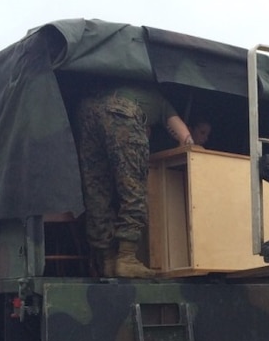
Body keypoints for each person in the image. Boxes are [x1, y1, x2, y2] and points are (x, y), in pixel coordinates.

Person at [76, 82, 204, 278]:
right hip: (121, 112)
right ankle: (126, 258)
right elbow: (185, 137)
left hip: (87, 111)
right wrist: (197, 152)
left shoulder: (131, 93)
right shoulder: (162, 104)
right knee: (133, 187)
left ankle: (108, 261)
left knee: (97, 189)